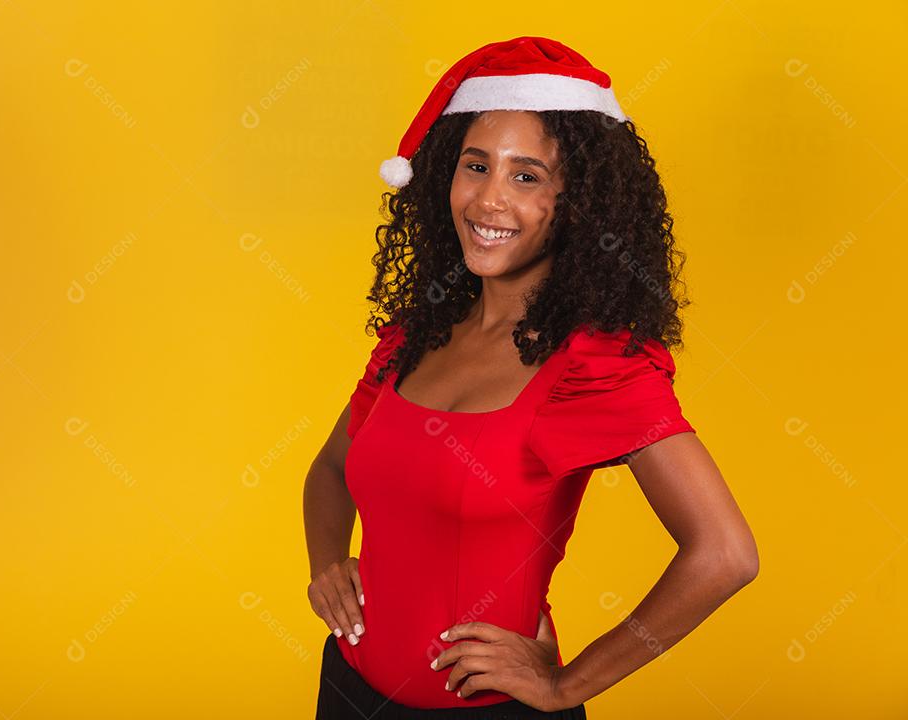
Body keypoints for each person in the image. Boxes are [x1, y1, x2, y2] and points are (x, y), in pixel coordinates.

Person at [303, 36, 758, 719]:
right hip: (347, 689)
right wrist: (326, 566)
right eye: (475, 166)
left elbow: (724, 554)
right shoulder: (415, 338)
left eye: (526, 176)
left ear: (574, 202)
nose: (489, 200)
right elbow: (333, 469)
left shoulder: (588, 369)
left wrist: (563, 686)